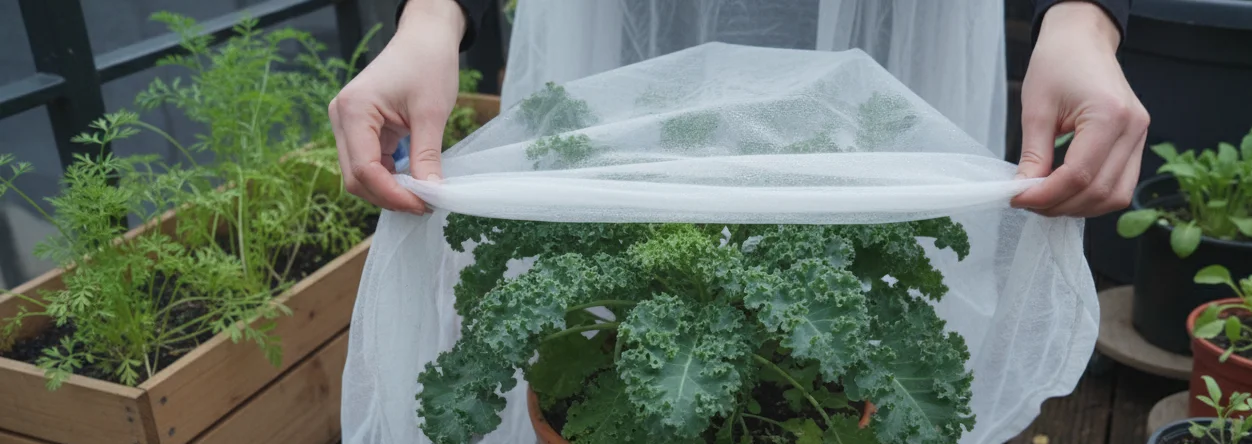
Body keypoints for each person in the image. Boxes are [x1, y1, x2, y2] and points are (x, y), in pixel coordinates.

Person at [328, 0, 1147, 220]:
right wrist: (431, 15)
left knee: (860, 270)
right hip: (629, 15)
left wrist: (1081, 16)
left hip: (889, 18)